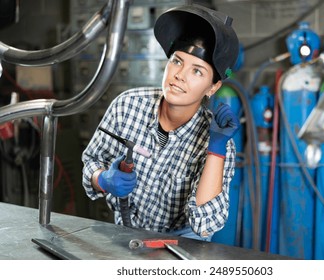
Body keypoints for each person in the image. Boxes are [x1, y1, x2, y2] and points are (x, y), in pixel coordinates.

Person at [81, 4, 240, 241]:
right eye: (177, 61)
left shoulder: (217, 142)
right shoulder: (127, 105)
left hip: (182, 244)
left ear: (213, 87)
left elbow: (206, 225)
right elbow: (91, 163)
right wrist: (103, 179)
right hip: (125, 235)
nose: (180, 75)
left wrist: (215, 150)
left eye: (197, 71)